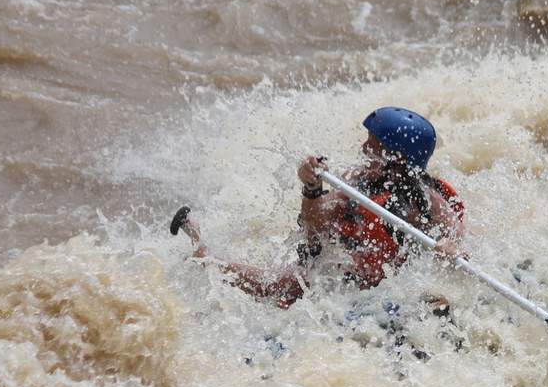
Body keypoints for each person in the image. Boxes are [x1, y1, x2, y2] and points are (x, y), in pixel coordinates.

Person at [171, 107, 464, 308]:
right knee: (280, 288)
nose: (363, 149)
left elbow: (456, 232)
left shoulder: (427, 199)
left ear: (396, 158)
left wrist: (450, 247)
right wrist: (311, 188)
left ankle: (205, 253)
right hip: (344, 266)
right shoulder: (357, 180)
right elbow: (315, 226)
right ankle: (205, 253)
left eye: (372, 144)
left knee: (435, 300)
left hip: (388, 282)